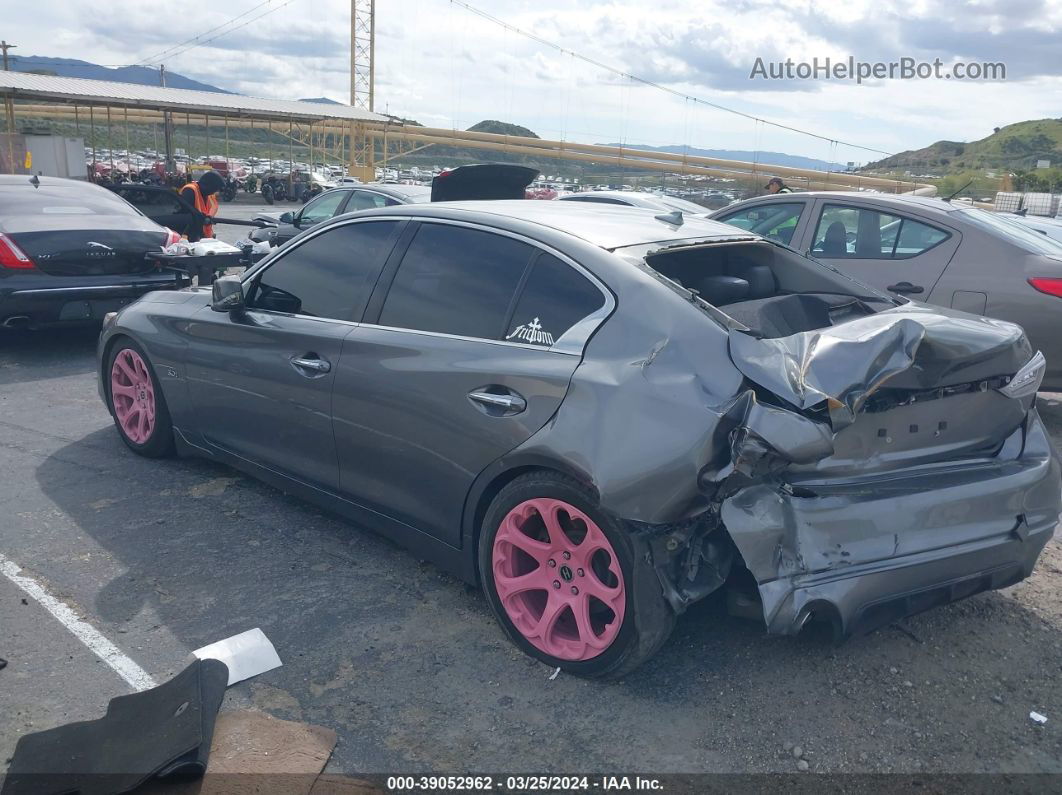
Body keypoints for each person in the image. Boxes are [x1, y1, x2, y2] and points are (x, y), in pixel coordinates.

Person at [179, 170, 224, 286]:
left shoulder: (209, 195)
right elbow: (184, 211)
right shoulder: (190, 190)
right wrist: (201, 218)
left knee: (207, 266)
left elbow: (210, 211)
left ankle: (205, 287)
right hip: (187, 236)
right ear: (207, 185)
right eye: (214, 188)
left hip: (202, 236)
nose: (214, 192)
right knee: (188, 268)